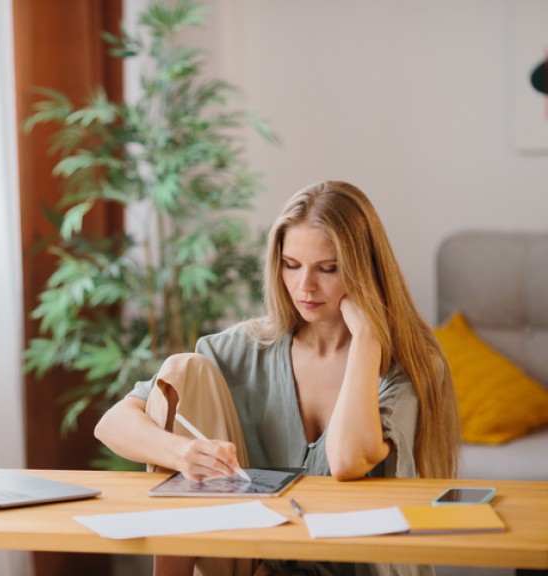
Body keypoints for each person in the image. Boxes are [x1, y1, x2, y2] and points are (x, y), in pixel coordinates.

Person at [94, 180, 461, 576]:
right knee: (185, 368)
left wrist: (367, 339)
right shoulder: (244, 349)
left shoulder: (408, 366)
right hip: (252, 562)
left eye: (328, 269)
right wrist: (182, 454)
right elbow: (112, 424)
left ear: (365, 270)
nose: (305, 287)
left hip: (356, 568)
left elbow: (348, 460)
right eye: (292, 265)